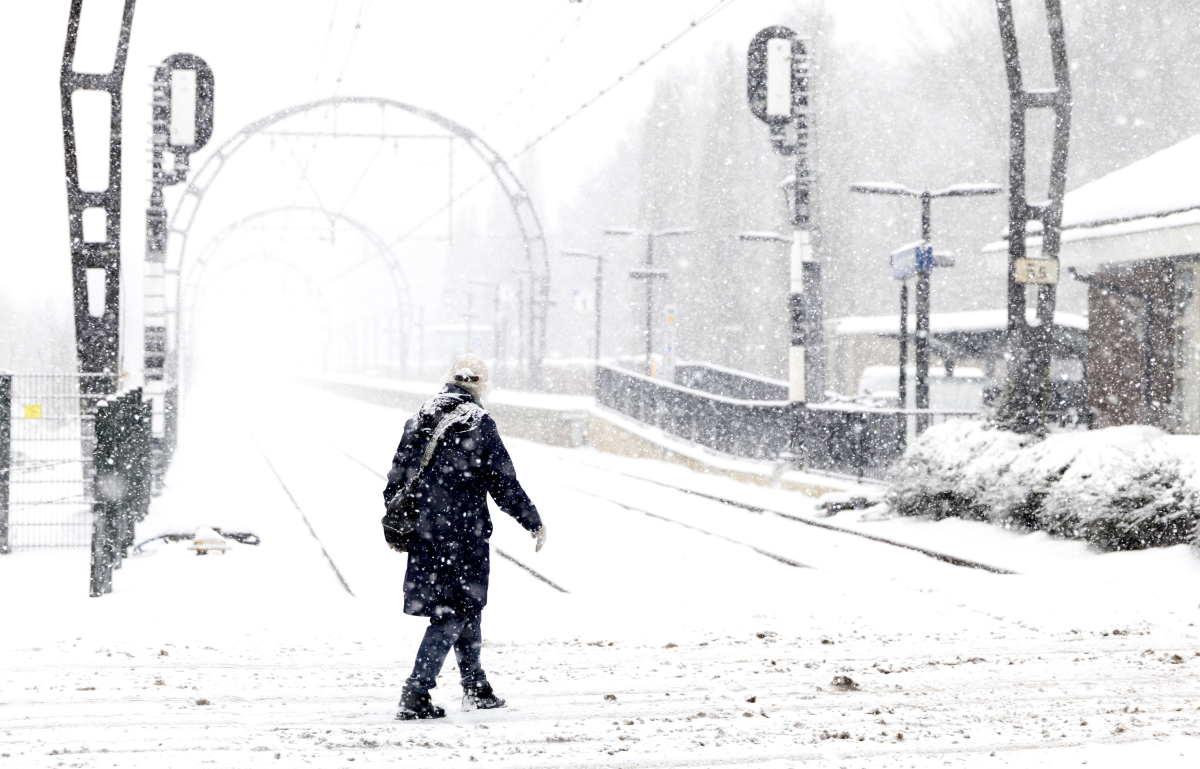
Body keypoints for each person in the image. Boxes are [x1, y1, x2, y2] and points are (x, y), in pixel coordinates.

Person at [383, 354, 547, 720]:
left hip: (427, 537)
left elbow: (396, 479)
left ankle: (476, 687)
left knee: (464, 607)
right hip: (463, 536)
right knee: (452, 614)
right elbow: (503, 483)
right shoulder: (478, 422)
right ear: (481, 386)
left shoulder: (421, 416)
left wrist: (410, 523)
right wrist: (532, 521)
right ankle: (416, 691)